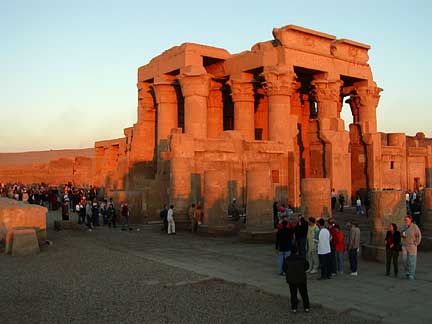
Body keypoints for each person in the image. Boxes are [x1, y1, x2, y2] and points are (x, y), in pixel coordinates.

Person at [283, 245, 310, 313]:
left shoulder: (287, 259)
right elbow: (307, 266)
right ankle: (306, 307)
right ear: (297, 251)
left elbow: (284, 269)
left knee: (293, 294)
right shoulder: (302, 258)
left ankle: (294, 308)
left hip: (291, 279)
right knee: (304, 293)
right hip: (301, 278)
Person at [401, 215, 422, 280]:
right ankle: (407, 271)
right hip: (404, 245)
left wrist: (416, 243)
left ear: (410, 220)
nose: (406, 221)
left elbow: (419, 236)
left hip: (412, 246)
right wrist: (402, 235)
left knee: (411, 260)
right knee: (404, 259)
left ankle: (411, 274)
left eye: (407, 220)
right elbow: (401, 233)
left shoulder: (415, 227)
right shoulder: (404, 226)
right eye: (405, 220)